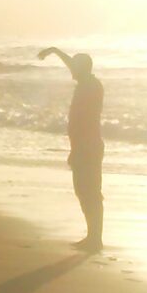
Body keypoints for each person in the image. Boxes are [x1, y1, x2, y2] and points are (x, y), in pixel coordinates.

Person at [38, 46, 103, 250]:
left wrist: (76, 150)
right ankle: (92, 236)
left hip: (88, 146)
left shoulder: (89, 87)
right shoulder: (87, 82)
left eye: (75, 67)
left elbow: (84, 121)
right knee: (84, 191)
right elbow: (73, 66)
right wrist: (55, 51)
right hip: (85, 145)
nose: (71, 71)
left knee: (89, 191)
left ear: (82, 69)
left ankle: (95, 238)